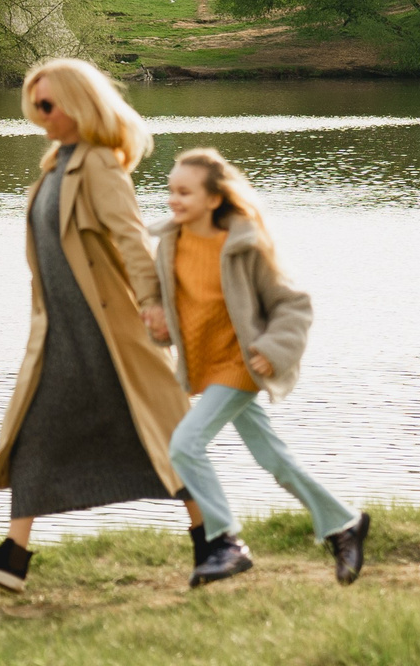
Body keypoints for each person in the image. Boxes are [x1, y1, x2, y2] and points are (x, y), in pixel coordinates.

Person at [0, 58, 200, 592]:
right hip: (60, 331)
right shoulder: (56, 164)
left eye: (46, 104)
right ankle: (13, 559)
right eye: (31, 104)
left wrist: (155, 304)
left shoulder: (98, 166)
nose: (36, 114)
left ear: (79, 103)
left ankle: (217, 542)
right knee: (36, 436)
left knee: (161, 434)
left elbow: (134, 242)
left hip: (106, 331)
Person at [154, 147, 371, 587]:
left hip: (240, 365)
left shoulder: (244, 244)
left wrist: (274, 348)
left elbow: (294, 305)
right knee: (275, 458)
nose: (174, 200)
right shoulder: (168, 241)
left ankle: (225, 541)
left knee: (184, 444)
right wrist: (158, 318)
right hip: (206, 364)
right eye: (171, 190)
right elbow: (173, 298)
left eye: (185, 192)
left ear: (214, 199)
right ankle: (344, 525)